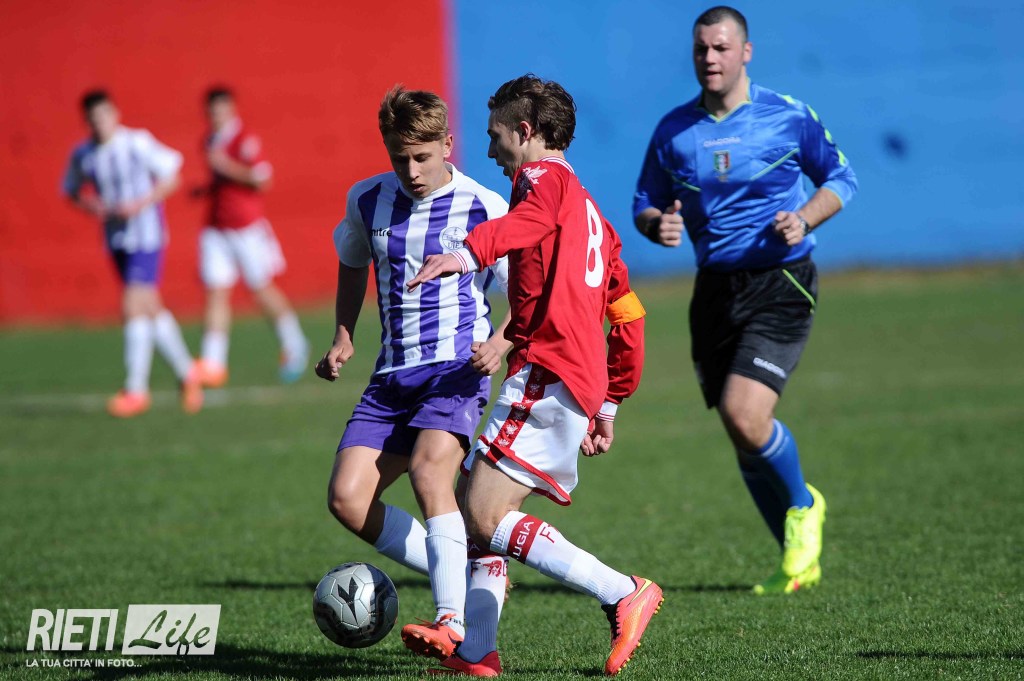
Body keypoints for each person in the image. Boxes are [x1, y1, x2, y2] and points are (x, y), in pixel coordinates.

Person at [406, 74, 661, 678]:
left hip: (548, 371)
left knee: (484, 514)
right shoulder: (592, 213)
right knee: (472, 510)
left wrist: (467, 252)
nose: (489, 149)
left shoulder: (542, 181)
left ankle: (621, 591)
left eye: (495, 135)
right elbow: (627, 312)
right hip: (569, 375)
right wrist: (609, 400)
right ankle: (477, 651)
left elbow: (533, 221)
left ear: (524, 132)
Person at [633, 6, 858, 595]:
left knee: (745, 413)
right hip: (713, 290)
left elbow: (841, 177)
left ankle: (804, 505)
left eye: (721, 47)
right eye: (701, 49)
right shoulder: (674, 130)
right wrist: (656, 224)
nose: (710, 58)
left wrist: (804, 217)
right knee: (741, 431)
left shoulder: (788, 115)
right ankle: (796, 561)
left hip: (781, 281)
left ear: (746, 52)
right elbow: (644, 201)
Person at [315, 86, 512, 661]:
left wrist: (501, 343)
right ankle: (470, 566)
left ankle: (451, 619)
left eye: (422, 157)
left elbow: (528, 290)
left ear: (448, 145)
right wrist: (344, 335)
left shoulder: (484, 206)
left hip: (456, 368)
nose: (412, 171)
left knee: (430, 473)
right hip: (391, 376)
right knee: (347, 499)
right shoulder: (366, 199)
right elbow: (352, 261)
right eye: (399, 157)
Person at [63, 90, 203, 418]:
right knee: (149, 307)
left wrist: (141, 203)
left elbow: (172, 176)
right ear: (87, 122)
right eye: (93, 119)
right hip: (116, 239)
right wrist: (94, 207)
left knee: (132, 304)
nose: (100, 123)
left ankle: (136, 390)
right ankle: (187, 373)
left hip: (146, 236)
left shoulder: (136, 142)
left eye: (104, 115)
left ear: (115, 114)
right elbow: (71, 190)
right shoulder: (84, 154)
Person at [192, 86, 309, 387]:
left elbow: (261, 179)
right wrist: (206, 189)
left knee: (260, 288)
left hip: (246, 228)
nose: (216, 115)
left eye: (221, 109)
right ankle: (213, 363)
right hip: (216, 227)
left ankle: (294, 344)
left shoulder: (244, 139)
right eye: (212, 110)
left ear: (231, 109)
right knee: (216, 291)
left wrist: (225, 166)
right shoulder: (210, 140)